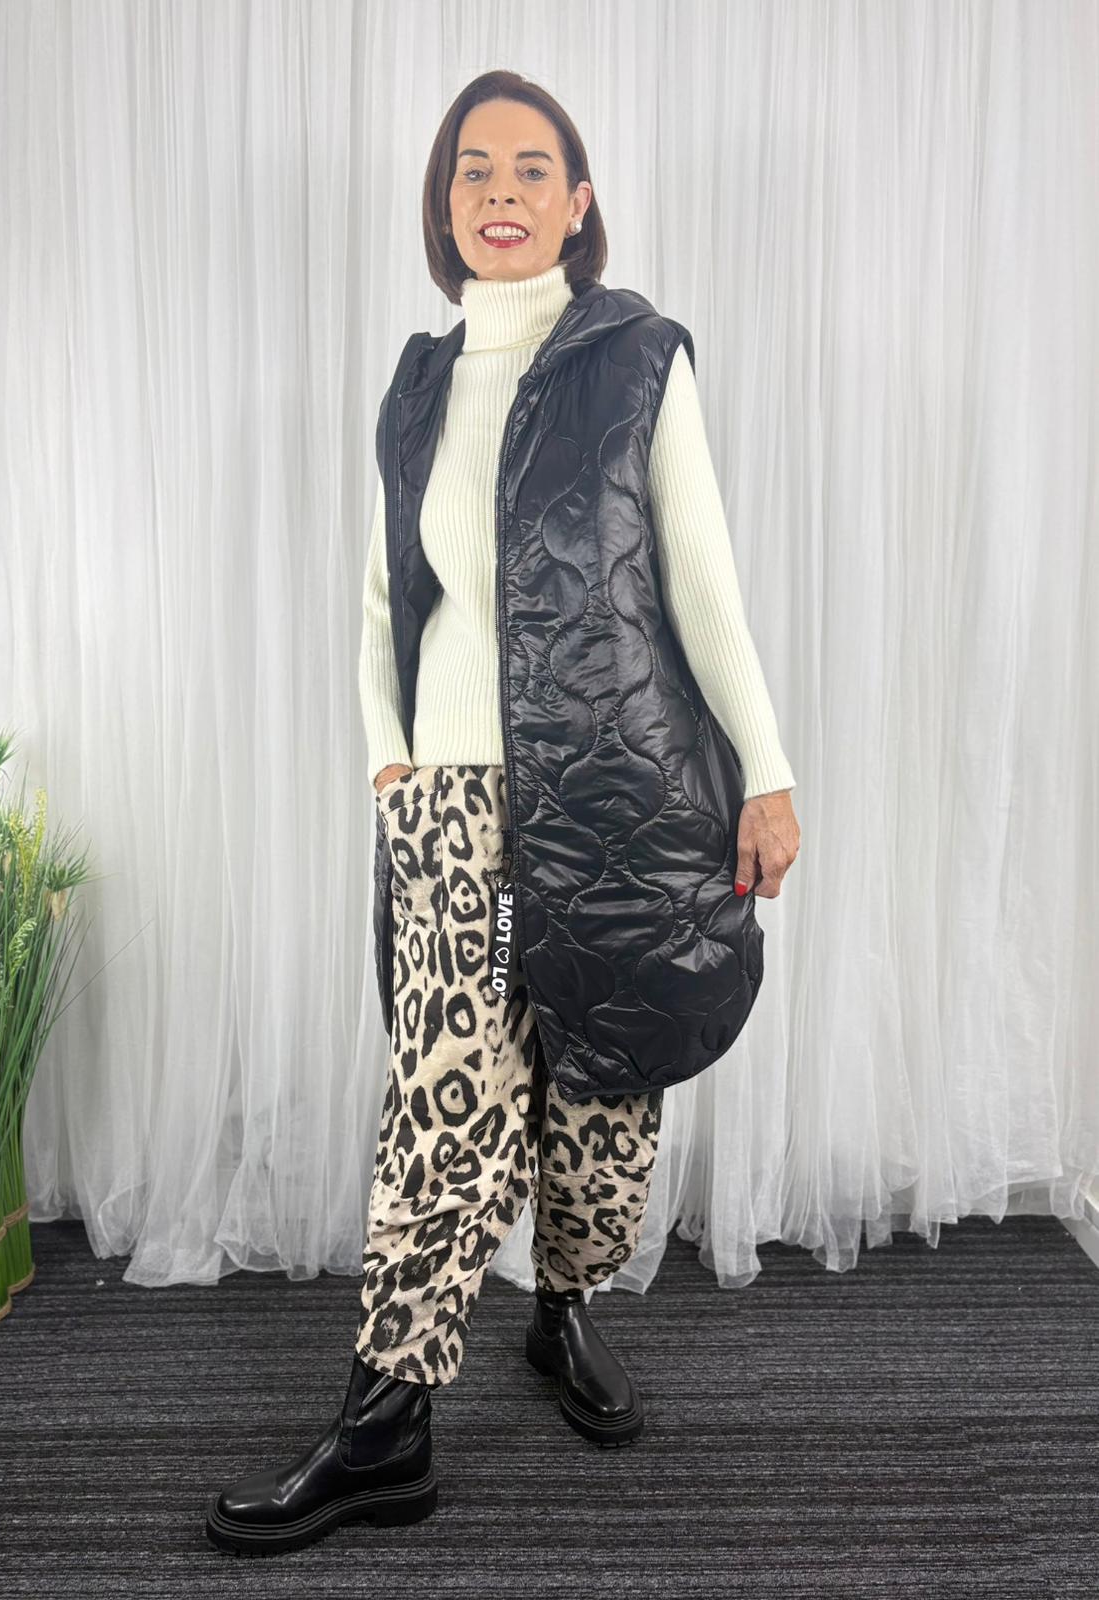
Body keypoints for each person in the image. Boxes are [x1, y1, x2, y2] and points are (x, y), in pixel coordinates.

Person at [206, 70, 800, 1559]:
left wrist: (770, 769)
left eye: (534, 169)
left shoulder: (637, 359)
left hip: (618, 789)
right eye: (475, 169)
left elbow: (702, 576)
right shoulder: (418, 386)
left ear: (578, 202)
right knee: (447, 1104)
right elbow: (380, 602)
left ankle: (567, 1312)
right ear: (446, 203)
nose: (503, 191)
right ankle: (384, 1430)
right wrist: (390, 764)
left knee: (605, 1082)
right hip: (454, 800)